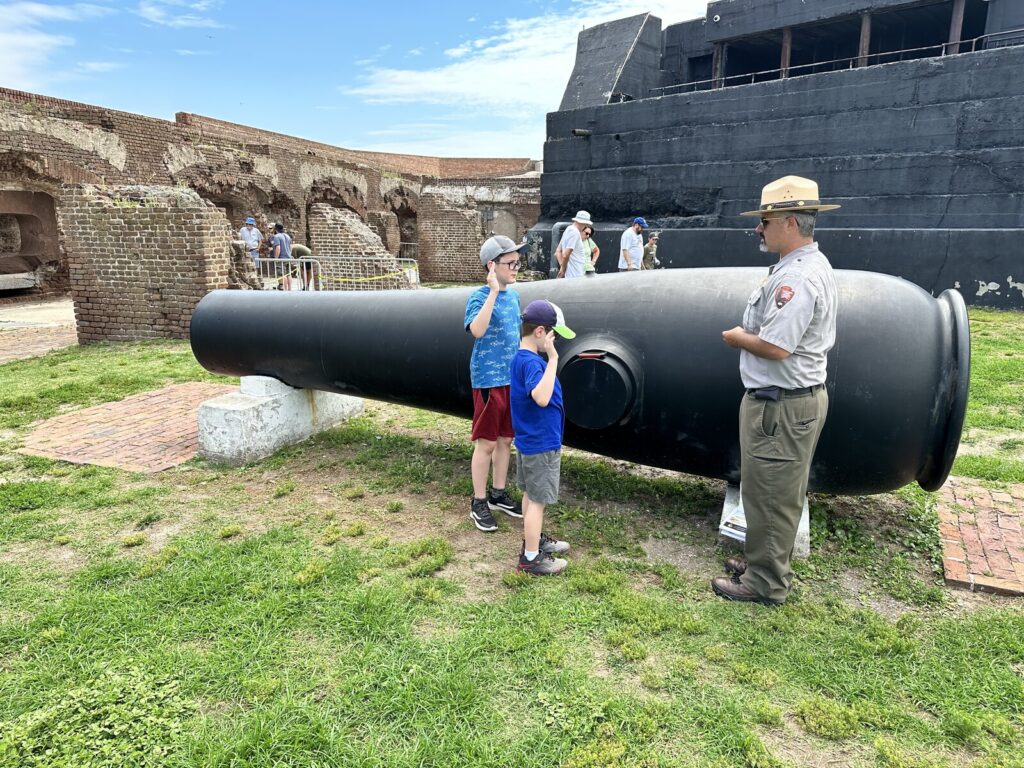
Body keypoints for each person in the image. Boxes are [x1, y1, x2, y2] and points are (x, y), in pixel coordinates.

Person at [713, 175, 840, 606]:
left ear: (789, 222)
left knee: (770, 493)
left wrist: (737, 338)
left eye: (765, 221)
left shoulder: (797, 279)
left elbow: (777, 347)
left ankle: (765, 584)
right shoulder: (807, 266)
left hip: (780, 406)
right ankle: (763, 562)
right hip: (789, 402)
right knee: (772, 488)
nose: (758, 228)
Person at [464, 235, 527, 532]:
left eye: (517, 263)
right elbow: (477, 330)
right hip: (489, 380)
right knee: (487, 442)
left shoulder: (515, 297)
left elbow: (517, 335)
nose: (515, 268)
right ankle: (478, 502)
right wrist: (492, 292)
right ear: (492, 265)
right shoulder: (478, 297)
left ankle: (498, 494)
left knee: (505, 439)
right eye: (510, 263)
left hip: (511, 379)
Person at [511, 300, 574, 575]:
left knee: (530, 495)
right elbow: (541, 397)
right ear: (540, 332)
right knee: (537, 500)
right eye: (554, 335)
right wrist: (554, 359)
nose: (555, 340)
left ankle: (533, 541)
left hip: (529, 440)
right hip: (540, 443)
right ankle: (530, 559)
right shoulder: (534, 363)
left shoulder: (520, 358)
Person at [555, 210, 593, 279]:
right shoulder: (575, 232)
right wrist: (563, 270)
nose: (586, 226)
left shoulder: (568, 229)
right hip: (575, 275)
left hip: (572, 274)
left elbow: (558, 251)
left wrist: (562, 268)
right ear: (583, 223)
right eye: (586, 224)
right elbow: (566, 254)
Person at [269, 223, 293, 291]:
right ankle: (289, 289)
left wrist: (276, 258)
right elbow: (291, 247)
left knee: (282, 274)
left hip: (281, 258)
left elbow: (278, 248)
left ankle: (285, 289)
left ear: (275, 229)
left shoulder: (276, 237)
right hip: (288, 258)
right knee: (288, 274)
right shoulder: (287, 236)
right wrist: (289, 254)